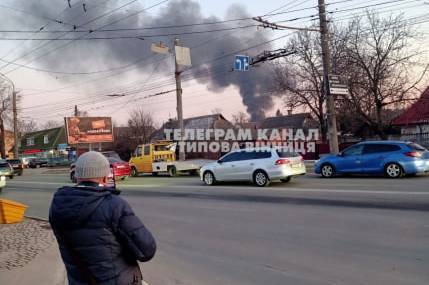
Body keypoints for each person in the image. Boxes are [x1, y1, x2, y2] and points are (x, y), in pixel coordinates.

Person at [49, 151, 156, 285]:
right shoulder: (114, 205)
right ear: (105, 178)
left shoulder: (57, 205)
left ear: (76, 176)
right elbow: (147, 250)